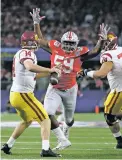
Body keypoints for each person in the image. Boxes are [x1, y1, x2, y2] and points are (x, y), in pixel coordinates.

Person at [30, 8, 110, 150]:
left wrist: (102, 41)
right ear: (61, 42)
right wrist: (36, 23)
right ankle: (62, 139)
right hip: (54, 88)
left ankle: (66, 130)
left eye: (71, 43)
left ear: (76, 44)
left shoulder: (80, 53)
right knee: (47, 114)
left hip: (71, 89)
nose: (67, 45)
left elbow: (95, 52)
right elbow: (40, 40)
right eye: (66, 42)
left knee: (69, 120)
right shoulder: (55, 47)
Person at [1, 31, 62, 157]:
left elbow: (32, 75)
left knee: (27, 121)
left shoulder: (22, 53)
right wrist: (50, 69)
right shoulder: (27, 53)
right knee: (45, 119)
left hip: (16, 94)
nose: (37, 42)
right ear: (31, 42)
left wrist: (51, 71)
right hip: (23, 95)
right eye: (35, 40)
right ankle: (45, 149)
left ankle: (8, 145)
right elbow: (30, 67)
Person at [81, 32, 122, 149]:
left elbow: (101, 74)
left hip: (119, 90)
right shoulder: (120, 49)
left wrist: (85, 72)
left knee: (109, 116)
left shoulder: (108, 55)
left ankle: (120, 141)